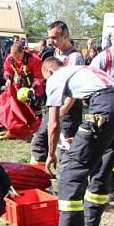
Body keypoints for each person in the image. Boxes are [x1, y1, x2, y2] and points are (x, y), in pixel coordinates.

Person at [39, 58, 114, 226]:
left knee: (72, 169)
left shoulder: (55, 78)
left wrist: (50, 154)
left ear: (48, 72)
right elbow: (69, 104)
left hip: (105, 108)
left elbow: (54, 122)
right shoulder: (80, 70)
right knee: (102, 169)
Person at [30, 21, 86, 165]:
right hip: (56, 103)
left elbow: (74, 89)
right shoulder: (56, 52)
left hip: (69, 107)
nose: (51, 41)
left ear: (66, 36)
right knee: (41, 139)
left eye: (55, 37)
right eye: (49, 37)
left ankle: (67, 176)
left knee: (66, 144)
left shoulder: (75, 57)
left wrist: (63, 110)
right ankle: (40, 173)